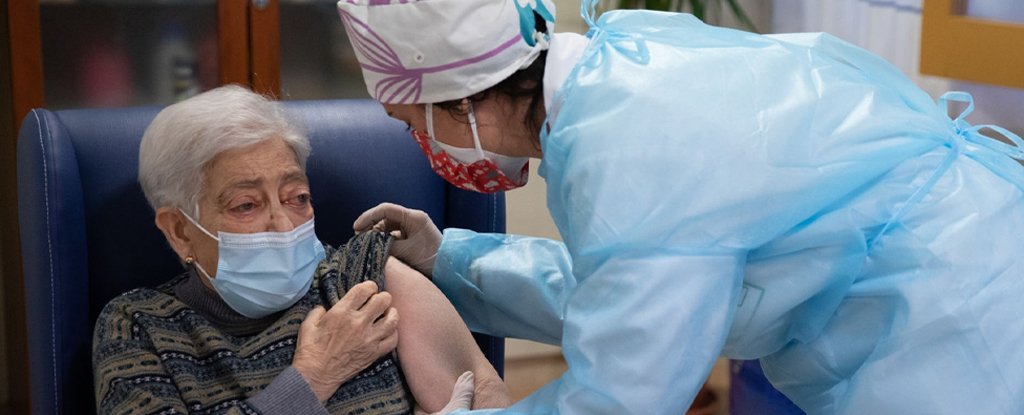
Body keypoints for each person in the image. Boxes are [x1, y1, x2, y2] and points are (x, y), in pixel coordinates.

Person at [336, 0, 1024, 413]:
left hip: (950, 324)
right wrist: (449, 257)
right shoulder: (620, 63)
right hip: (964, 257)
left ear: (461, 99)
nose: (420, 144)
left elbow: (623, 390)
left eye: (411, 123)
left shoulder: (629, 149)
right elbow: (628, 290)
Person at [92, 85, 511, 414]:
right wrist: (313, 378)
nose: (283, 223)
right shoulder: (138, 326)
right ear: (180, 230)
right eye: (246, 205)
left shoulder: (361, 276)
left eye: (296, 197)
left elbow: (482, 395)